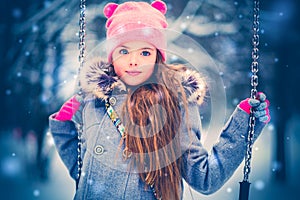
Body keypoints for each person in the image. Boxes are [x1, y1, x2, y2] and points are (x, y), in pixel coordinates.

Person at [49, 1, 270, 200]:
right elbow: (84, 175)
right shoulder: (94, 102)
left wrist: (243, 127)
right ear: (112, 55)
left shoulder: (175, 104)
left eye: (144, 53)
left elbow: (205, 178)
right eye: (124, 51)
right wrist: (62, 127)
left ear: (157, 57)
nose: (133, 61)